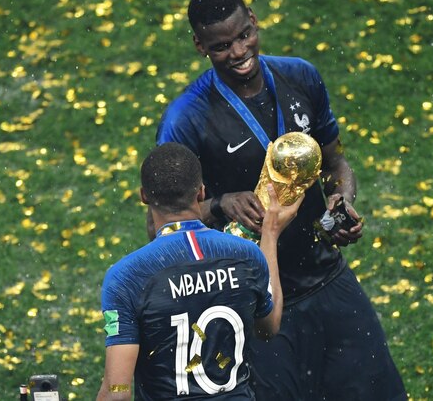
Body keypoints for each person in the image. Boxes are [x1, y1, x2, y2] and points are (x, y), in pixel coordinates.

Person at [156, 0, 407, 400]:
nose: (238, 52)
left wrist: (340, 199)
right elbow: (160, 227)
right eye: (221, 46)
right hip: (256, 305)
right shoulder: (188, 117)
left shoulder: (300, 76)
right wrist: (221, 204)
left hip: (328, 277)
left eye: (243, 36)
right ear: (199, 45)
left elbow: (335, 163)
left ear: (253, 19)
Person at [96, 142, 302, 400]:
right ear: (202, 192)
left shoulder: (127, 276)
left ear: (144, 196)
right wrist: (269, 235)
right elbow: (268, 328)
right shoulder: (246, 256)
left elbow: (118, 392)